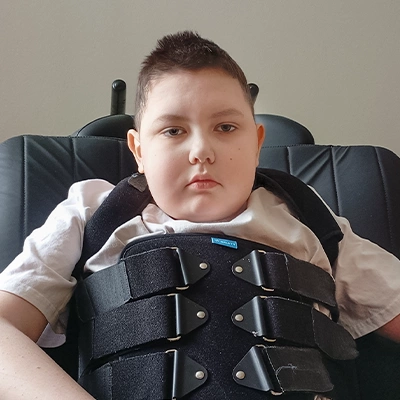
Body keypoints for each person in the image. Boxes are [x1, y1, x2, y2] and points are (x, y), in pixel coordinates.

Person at [0, 30, 400, 400]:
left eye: (225, 127)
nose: (201, 151)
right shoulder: (92, 212)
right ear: (138, 151)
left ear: (257, 143)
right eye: (173, 131)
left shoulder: (308, 216)